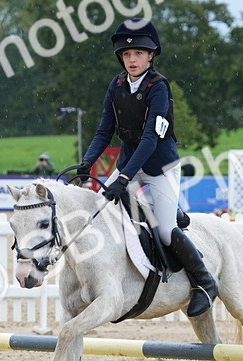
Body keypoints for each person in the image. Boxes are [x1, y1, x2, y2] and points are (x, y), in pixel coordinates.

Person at [74, 18, 217, 317]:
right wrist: (87, 161)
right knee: (102, 214)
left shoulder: (158, 88)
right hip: (130, 164)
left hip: (159, 168)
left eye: (138, 54)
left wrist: (123, 177)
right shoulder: (116, 86)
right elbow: (104, 131)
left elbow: (151, 139)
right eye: (127, 55)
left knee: (165, 230)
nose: (132, 59)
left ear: (151, 56)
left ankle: (204, 282)